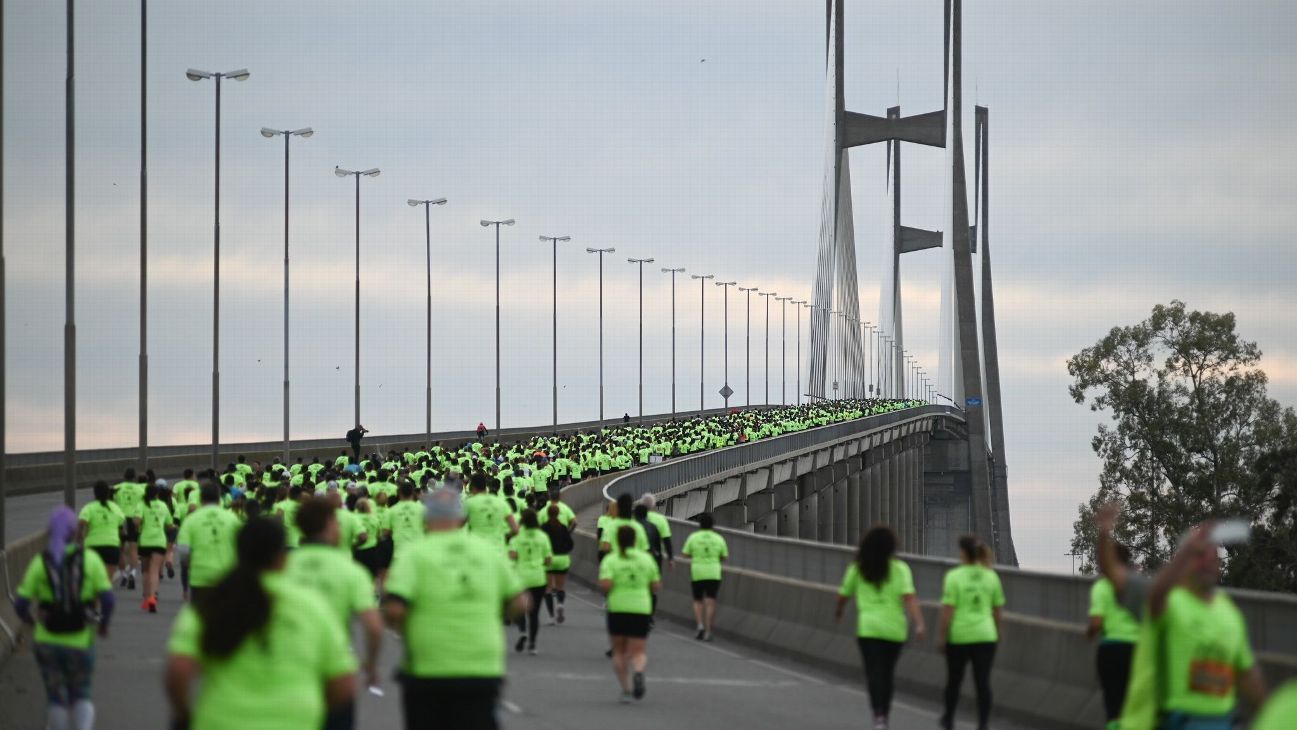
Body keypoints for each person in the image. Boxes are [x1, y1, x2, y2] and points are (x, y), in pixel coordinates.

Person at [165, 518, 357, 730]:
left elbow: (179, 669)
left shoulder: (211, 604)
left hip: (223, 720)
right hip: (295, 721)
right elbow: (344, 683)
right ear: (283, 558)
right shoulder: (312, 605)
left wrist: (184, 714)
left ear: (237, 552)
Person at [383, 488, 526, 730]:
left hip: (428, 665)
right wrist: (493, 613)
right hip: (482, 664)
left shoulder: (414, 554)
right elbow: (520, 603)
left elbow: (394, 609)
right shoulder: (488, 552)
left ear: (426, 520)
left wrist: (405, 630)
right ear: (462, 519)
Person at [1119, 521, 1267, 728]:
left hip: (1222, 722)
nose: (1206, 562)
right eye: (1199, 556)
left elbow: (1246, 671)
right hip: (1176, 720)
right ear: (1184, 562)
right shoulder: (1171, 601)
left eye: (1213, 558)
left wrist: (1273, 714)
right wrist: (1185, 551)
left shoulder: (1230, 613)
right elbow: (1155, 597)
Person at [285, 498, 384, 729]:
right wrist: (370, 664)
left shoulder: (284, 567)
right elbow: (373, 626)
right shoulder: (350, 572)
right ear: (329, 525)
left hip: (290, 668)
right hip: (334, 668)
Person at [14, 507, 116, 730]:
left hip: (47, 641)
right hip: (80, 640)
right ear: (76, 533)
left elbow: (20, 603)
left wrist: (31, 622)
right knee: (81, 693)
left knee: (55, 697)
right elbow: (108, 600)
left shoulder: (41, 562)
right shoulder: (90, 560)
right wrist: (103, 625)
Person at [834, 525, 925, 730]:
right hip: (895, 630)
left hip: (869, 629)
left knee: (874, 673)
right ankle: (885, 711)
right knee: (888, 673)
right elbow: (909, 598)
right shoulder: (901, 569)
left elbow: (843, 595)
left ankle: (878, 716)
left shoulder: (858, 568)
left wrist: (839, 611)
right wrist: (919, 624)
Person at [937, 535, 1004, 730]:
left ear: (964, 553)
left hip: (959, 636)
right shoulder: (991, 576)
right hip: (985, 636)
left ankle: (948, 719)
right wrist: (997, 633)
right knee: (982, 682)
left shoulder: (954, 576)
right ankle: (983, 724)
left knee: (954, 680)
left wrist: (942, 635)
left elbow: (948, 610)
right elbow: (998, 610)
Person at [599, 525, 661, 703]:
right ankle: (639, 672)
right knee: (638, 651)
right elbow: (656, 586)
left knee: (619, 651)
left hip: (618, 608)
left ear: (618, 540)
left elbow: (605, 585)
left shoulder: (611, 560)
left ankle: (626, 690)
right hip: (641, 608)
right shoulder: (646, 559)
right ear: (635, 540)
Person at [1086, 541, 1140, 730]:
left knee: (1113, 703)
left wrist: (1089, 633)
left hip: (1111, 650)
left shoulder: (1102, 586)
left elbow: (1097, 623)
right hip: (1138, 650)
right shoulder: (1138, 586)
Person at [175, 483, 241, 605]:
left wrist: (189, 564)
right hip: (226, 576)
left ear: (200, 499)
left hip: (200, 576)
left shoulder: (191, 520)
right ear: (219, 499)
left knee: (201, 616)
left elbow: (183, 551)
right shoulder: (231, 518)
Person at [508, 508, 553, 655]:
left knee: (520, 608)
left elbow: (512, 556)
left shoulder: (517, 537)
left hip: (520, 577)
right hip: (538, 578)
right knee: (534, 613)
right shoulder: (542, 537)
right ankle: (532, 644)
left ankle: (522, 632)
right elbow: (548, 560)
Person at [680, 512, 729, 641]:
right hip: (713, 573)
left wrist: (696, 556)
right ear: (713, 525)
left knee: (698, 600)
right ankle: (708, 630)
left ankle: (700, 625)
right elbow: (724, 557)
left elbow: (684, 554)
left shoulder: (693, 537)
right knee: (711, 601)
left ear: (699, 525)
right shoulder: (718, 539)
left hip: (698, 572)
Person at [77, 480, 126, 584]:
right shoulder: (115, 508)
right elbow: (122, 528)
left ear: (95, 493)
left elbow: (81, 523)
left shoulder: (89, 507)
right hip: (112, 547)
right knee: (106, 583)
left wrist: (79, 538)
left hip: (93, 547)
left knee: (92, 581)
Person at [138, 481, 174, 613]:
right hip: (159, 541)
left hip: (145, 541)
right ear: (157, 494)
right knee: (154, 571)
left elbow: (136, 521)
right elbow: (169, 525)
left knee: (145, 570)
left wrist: (141, 525)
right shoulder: (163, 506)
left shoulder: (142, 504)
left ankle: (146, 597)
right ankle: (153, 597)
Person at [112, 468, 145, 590]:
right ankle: (132, 573)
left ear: (124, 476)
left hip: (120, 520)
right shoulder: (140, 489)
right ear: (135, 477)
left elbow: (112, 504)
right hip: (134, 520)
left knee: (120, 549)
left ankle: (123, 574)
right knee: (133, 548)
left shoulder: (117, 488)